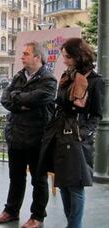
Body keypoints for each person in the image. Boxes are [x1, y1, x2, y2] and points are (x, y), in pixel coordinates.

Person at [39, 38, 104, 228]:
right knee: (64, 184)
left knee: (75, 186)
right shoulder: (67, 77)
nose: (64, 60)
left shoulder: (95, 81)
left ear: (78, 55)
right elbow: (59, 104)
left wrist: (83, 133)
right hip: (59, 134)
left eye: (67, 57)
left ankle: (74, 226)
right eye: (64, 56)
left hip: (76, 138)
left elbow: (97, 114)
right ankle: (71, 224)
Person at [0, 41, 57, 227]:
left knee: (39, 180)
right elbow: (6, 98)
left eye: (26, 54)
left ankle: (37, 217)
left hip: (37, 138)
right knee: (16, 177)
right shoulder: (19, 76)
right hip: (16, 136)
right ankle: (11, 211)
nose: (22, 56)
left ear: (37, 57)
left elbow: (37, 98)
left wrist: (18, 99)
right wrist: (21, 101)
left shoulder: (49, 80)